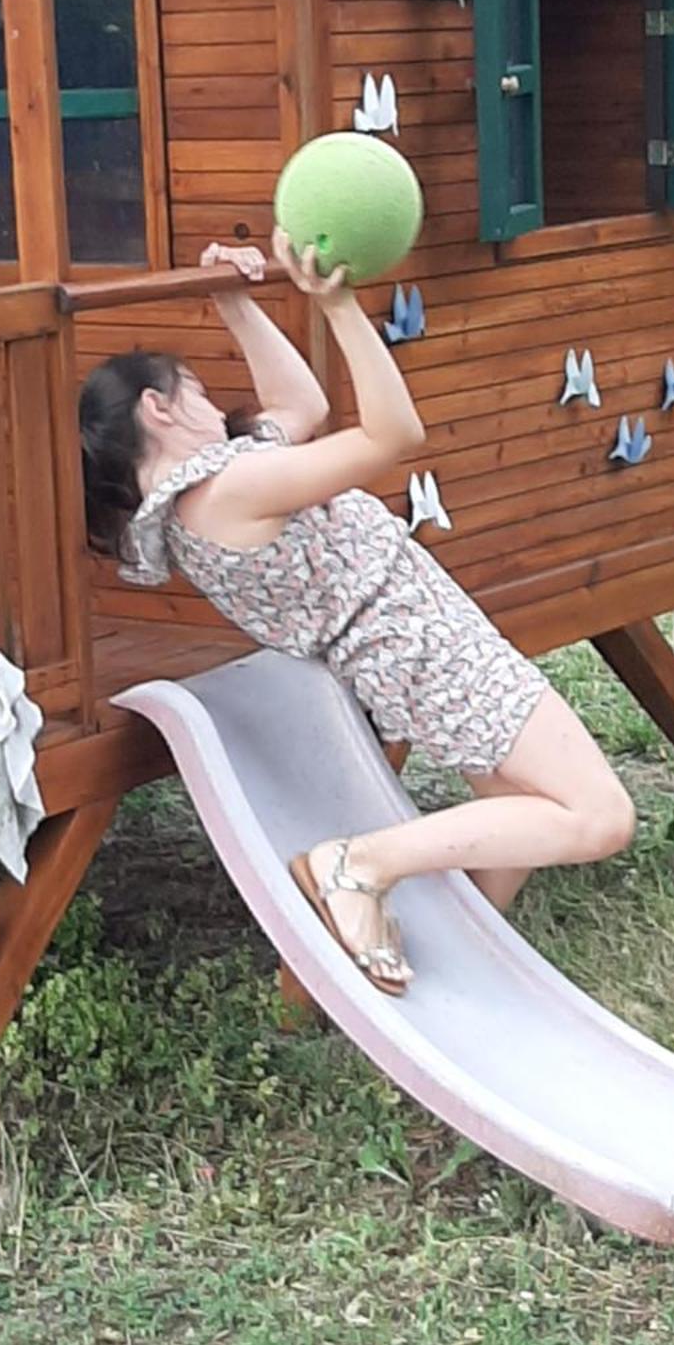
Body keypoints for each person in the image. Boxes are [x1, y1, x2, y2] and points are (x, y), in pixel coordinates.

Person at [80, 232, 636, 995]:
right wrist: (337, 304)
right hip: (422, 648)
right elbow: (393, 435)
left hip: (407, 648)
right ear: (160, 407)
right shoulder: (229, 492)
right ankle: (358, 864)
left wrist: (234, 301)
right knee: (599, 815)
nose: (217, 405)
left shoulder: (203, 499)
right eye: (201, 392)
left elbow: (300, 406)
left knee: (512, 817)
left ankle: (455, 967)